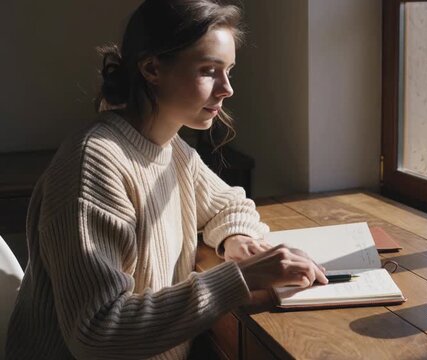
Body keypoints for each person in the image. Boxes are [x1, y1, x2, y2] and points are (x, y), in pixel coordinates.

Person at [6, 1, 327, 359]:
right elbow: (98, 332)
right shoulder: (94, 163)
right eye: (209, 70)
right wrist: (242, 278)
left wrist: (237, 237)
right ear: (152, 68)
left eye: (229, 71)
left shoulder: (171, 150)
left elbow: (229, 203)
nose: (227, 89)